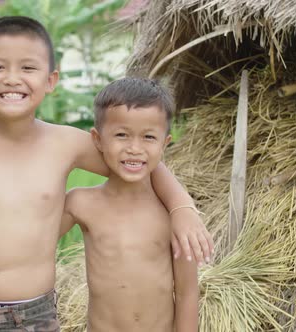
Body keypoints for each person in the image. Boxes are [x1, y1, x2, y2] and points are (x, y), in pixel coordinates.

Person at [0, 16, 212, 331]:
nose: (12, 79)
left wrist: (182, 209)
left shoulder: (67, 143)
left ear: (51, 81)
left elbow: (139, 160)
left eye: (28, 68)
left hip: (29, 315)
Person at [57, 77, 199, 331]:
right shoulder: (81, 203)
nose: (135, 148)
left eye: (148, 137)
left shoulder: (174, 217)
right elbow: (34, 243)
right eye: (121, 135)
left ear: (164, 143)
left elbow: (188, 294)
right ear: (98, 140)